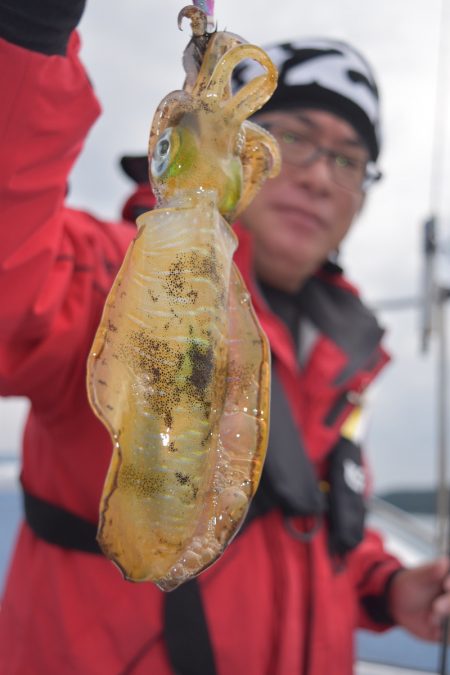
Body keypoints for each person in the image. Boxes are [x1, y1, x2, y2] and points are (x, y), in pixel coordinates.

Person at [1, 3, 450, 674]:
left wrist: (384, 587)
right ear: (242, 150)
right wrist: (27, 36)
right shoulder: (100, 274)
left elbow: (308, 528)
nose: (320, 177)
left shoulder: (340, 359)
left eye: (349, 160)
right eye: (295, 137)